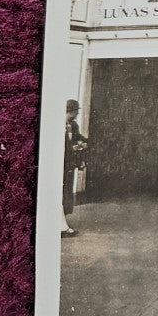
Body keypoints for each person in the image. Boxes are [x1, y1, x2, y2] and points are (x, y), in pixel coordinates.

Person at [62, 99, 87, 238]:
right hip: (61, 165)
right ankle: (62, 225)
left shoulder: (74, 125)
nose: (77, 114)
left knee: (67, 192)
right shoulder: (59, 125)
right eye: (76, 111)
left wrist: (84, 143)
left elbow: (78, 138)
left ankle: (63, 221)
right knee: (61, 192)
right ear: (70, 111)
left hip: (70, 165)